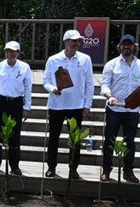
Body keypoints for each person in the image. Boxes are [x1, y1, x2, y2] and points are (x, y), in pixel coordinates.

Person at [42, 30, 94, 180]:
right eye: (73, 41)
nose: (76, 44)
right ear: (65, 42)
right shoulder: (53, 60)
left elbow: (89, 83)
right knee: (53, 138)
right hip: (56, 104)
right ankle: (51, 167)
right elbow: (46, 81)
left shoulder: (85, 59)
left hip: (76, 105)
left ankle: (73, 168)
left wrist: (87, 104)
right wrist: (53, 89)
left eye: (78, 41)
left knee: (75, 139)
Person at [99, 34, 140, 183]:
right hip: (115, 109)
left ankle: (128, 172)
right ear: (119, 46)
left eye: (129, 44)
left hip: (132, 110)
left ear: (134, 46)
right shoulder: (111, 64)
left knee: (130, 142)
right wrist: (109, 96)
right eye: (124, 44)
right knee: (109, 141)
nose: (126, 47)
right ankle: (106, 170)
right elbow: (104, 85)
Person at [0, 41, 31, 175]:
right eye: (7, 51)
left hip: (16, 103)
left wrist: (27, 107)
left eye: (13, 51)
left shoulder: (25, 67)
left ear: (18, 53)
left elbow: (28, 88)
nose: (10, 54)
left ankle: (14, 166)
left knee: (15, 135)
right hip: (0, 101)